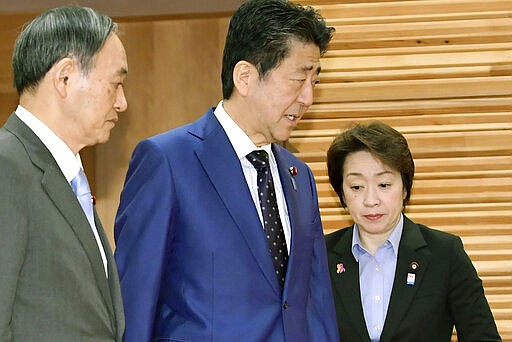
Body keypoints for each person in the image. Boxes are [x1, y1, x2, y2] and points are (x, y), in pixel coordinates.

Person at [113, 0, 338, 341]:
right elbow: (135, 302)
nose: (307, 97)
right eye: (297, 79)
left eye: (314, 83)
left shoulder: (299, 176)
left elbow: (316, 301)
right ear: (245, 77)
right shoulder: (167, 162)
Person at [0, 5, 128, 341]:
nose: (122, 102)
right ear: (65, 77)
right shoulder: (7, 166)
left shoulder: (66, 176)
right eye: (116, 84)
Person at [324, 121, 501, 342]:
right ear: (341, 193)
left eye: (384, 185)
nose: (371, 201)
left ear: (405, 188)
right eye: (357, 187)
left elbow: (482, 337)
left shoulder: (445, 253)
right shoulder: (320, 255)